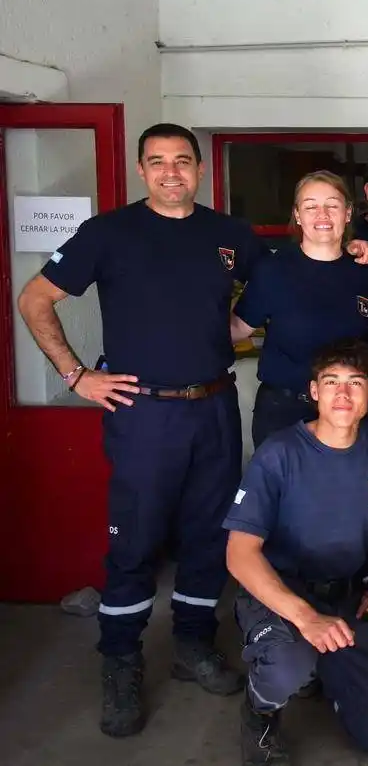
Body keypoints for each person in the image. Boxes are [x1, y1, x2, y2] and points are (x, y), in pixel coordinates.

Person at [16, 123, 260, 737]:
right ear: (142, 170)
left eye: (182, 161)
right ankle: (120, 661)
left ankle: (193, 647)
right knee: (136, 540)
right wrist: (76, 376)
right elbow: (34, 300)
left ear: (200, 169)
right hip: (143, 411)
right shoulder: (109, 233)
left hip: (214, 405)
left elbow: (283, 285)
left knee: (210, 535)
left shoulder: (229, 235)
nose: (171, 172)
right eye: (158, 162)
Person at [224, 339, 368, 765]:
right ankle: (259, 712)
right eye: (331, 383)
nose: (343, 394)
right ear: (314, 391)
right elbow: (239, 553)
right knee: (289, 664)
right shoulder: (280, 453)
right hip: (280, 591)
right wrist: (305, 618)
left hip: (344, 595)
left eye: (355, 383)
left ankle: (323, 667)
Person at [232, 170, 368, 446]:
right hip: (284, 414)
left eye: (332, 206)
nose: (322, 215)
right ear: (298, 215)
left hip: (347, 412)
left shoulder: (364, 273)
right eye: (311, 206)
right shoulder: (272, 271)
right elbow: (237, 328)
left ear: (347, 213)